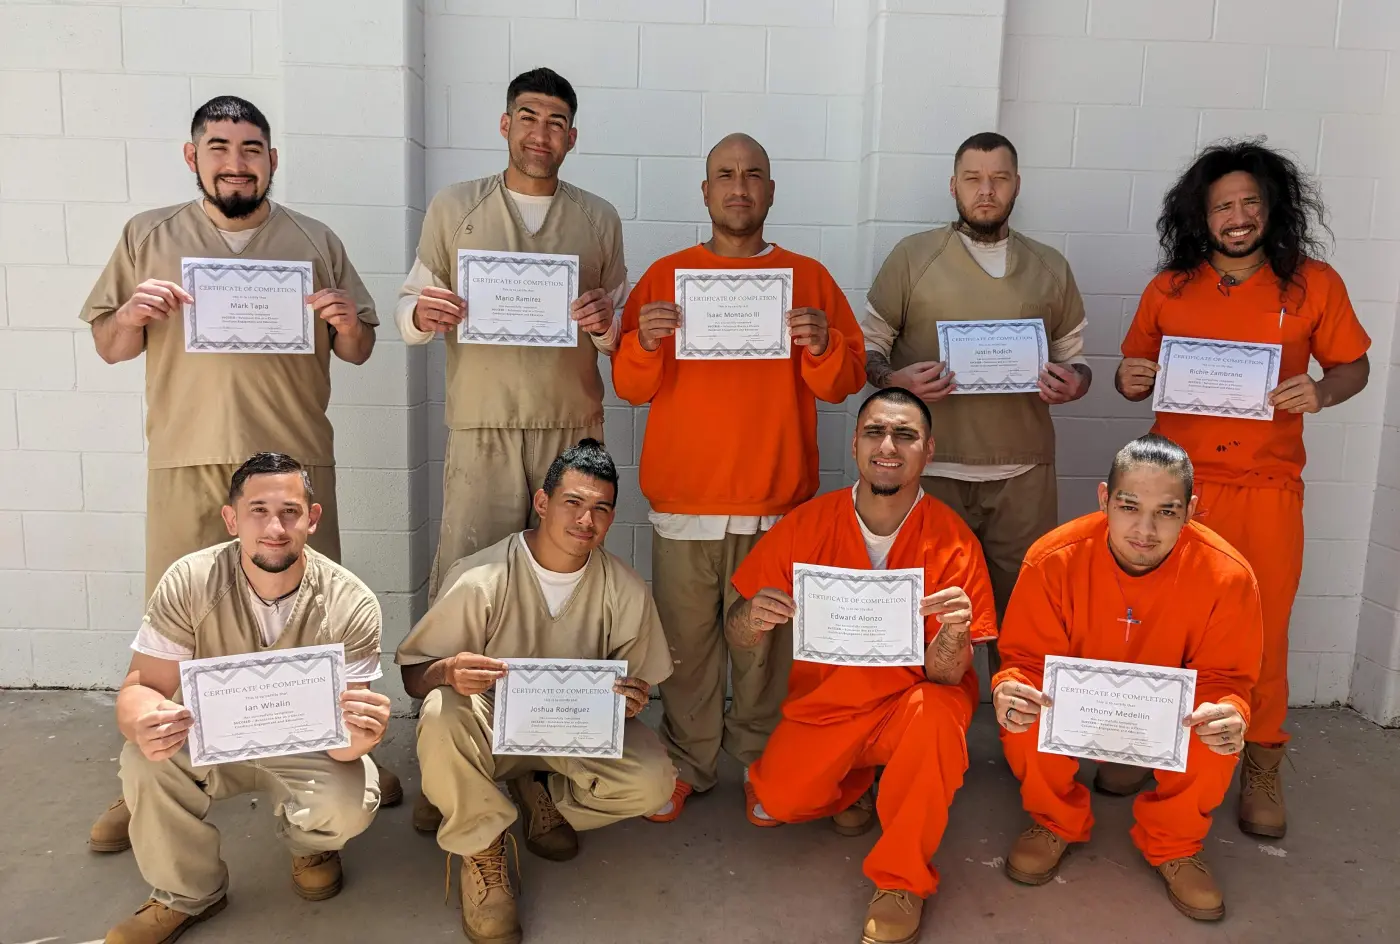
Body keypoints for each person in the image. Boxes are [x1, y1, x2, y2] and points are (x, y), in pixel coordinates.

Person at [80, 95, 399, 854]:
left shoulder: (314, 241)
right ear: (192, 157)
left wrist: (346, 322)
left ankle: (336, 767)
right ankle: (150, 778)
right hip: (187, 458)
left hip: (293, 465)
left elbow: (359, 350)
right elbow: (109, 346)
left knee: (307, 622)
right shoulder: (147, 236)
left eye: (251, 147)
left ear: (271, 160)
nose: (235, 161)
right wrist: (131, 314)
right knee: (177, 626)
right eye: (218, 146)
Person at [610, 132, 866, 824]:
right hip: (684, 503)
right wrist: (645, 342)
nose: (739, 187)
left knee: (764, 648)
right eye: (725, 175)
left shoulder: (808, 279)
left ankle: (761, 762)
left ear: (771, 191)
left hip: (778, 506)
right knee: (689, 647)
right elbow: (631, 388)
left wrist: (822, 345)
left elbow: (846, 381)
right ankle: (690, 762)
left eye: (753, 175)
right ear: (706, 192)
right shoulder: (665, 278)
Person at [1116, 140, 1370, 836]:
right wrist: (1129, 378)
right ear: (1201, 215)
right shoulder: (1169, 287)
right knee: (1160, 620)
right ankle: (1143, 741)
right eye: (1223, 205)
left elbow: (1355, 366)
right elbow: (1132, 368)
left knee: (1263, 633)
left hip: (1266, 486)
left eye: (1249, 202)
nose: (1237, 216)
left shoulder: (1313, 283)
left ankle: (1261, 761)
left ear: (1271, 208)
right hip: (1175, 490)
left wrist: (1320, 391)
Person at [727, 388, 997, 944]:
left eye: (906, 435)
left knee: (939, 713)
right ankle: (859, 783)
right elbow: (735, 630)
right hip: (828, 708)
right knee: (777, 802)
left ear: (928, 449)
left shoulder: (953, 540)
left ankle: (901, 880)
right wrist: (753, 615)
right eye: (875, 432)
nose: (888, 447)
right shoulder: (809, 524)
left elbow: (949, 678)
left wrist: (955, 630)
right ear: (854, 443)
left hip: (910, 708)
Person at [105, 453, 392, 944]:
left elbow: (345, 743)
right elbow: (140, 688)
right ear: (232, 518)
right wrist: (142, 722)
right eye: (258, 510)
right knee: (143, 761)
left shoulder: (352, 601)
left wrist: (364, 736)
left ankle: (309, 845)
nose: (275, 527)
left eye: (290, 511)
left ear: (313, 518)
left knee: (351, 798)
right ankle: (187, 892)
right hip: (209, 735)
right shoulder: (191, 580)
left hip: (306, 748)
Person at [395, 440, 675, 944]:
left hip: (562, 745)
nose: (585, 520)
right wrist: (447, 671)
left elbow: (638, 687)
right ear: (543, 503)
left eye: (601, 509)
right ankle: (482, 843)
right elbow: (413, 675)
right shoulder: (481, 578)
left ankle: (538, 792)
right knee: (441, 709)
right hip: (491, 738)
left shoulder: (625, 589)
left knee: (654, 781)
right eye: (572, 502)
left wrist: (631, 702)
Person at [994, 434, 1263, 922]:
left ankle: (1175, 843)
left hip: (1165, 723)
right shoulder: (1053, 560)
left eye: (1166, 511)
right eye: (1129, 506)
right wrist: (1009, 685)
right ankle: (1053, 819)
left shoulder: (1227, 576)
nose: (1145, 529)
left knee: (1215, 730)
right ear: (1104, 500)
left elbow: (1228, 678)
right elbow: (1025, 660)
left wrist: (1231, 712)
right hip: (1076, 713)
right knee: (1024, 709)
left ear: (1191, 510)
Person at [397, 67, 627, 600]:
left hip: (570, 424)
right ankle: (459, 683)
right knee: (473, 571)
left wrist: (605, 325)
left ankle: (559, 683)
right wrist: (422, 316)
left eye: (556, 123)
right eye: (528, 118)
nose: (540, 134)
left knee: (567, 569)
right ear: (505, 124)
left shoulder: (599, 218)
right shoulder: (455, 207)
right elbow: (410, 308)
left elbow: (622, 334)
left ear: (572, 136)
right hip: (484, 423)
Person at [863, 132, 1090, 660]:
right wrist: (895, 381)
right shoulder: (913, 257)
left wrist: (1076, 383)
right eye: (973, 179)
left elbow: (1077, 360)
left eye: (999, 178)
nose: (985, 190)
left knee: (1024, 620)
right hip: (932, 471)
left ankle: (1018, 738)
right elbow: (866, 350)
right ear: (953, 186)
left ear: (1016, 185)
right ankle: (931, 733)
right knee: (929, 621)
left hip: (1023, 472)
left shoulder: (1050, 266)